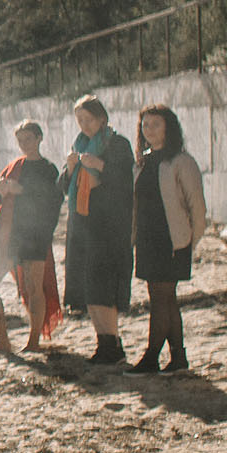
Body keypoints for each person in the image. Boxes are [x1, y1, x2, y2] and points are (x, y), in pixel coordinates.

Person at [129, 104, 209, 375]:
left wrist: (188, 241)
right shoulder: (143, 161)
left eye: (155, 124)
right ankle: (178, 358)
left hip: (172, 241)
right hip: (148, 239)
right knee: (165, 299)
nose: (149, 130)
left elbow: (197, 207)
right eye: (145, 125)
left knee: (161, 299)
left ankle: (151, 356)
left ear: (168, 127)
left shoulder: (181, 161)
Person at [62, 96, 136, 365]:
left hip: (109, 226)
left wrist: (101, 166)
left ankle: (113, 342)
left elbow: (127, 181)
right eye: (80, 120)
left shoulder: (118, 144)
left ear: (102, 118)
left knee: (105, 286)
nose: (84, 125)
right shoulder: (79, 145)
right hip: (82, 225)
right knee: (88, 286)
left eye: (88, 119)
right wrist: (70, 169)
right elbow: (64, 186)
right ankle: (103, 343)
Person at [0, 123, 62, 354]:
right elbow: (0, 195)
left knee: (34, 287)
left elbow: (52, 200)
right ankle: (2, 338)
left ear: (39, 138)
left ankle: (33, 341)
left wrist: (21, 190)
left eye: (28, 139)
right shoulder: (14, 166)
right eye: (20, 140)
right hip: (11, 235)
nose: (24, 144)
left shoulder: (48, 169)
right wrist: (1, 188)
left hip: (35, 235)